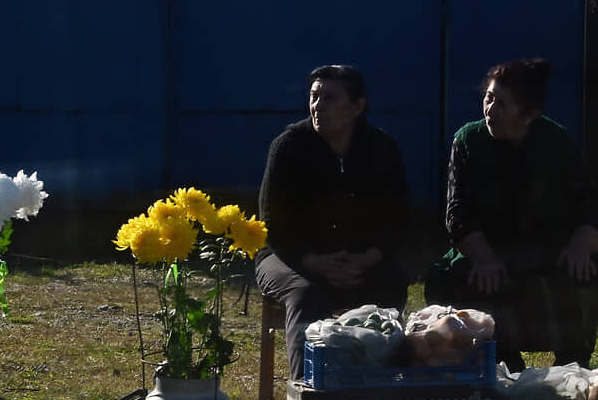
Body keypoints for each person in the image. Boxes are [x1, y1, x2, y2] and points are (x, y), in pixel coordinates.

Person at [425, 58, 598, 372]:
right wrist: (484, 257)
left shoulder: (556, 141)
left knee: (580, 277)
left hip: (546, 249)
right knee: (457, 282)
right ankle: (498, 363)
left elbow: (587, 202)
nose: (490, 109)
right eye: (488, 98)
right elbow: (457, 210)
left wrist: (581, 244)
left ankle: (573, 366)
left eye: (502, 103)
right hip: (487, 248)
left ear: (528, 114)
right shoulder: (468, 140)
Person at [255, 65, 410, 381]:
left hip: (358, 258)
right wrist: (314, 262)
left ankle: (381, 386)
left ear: (357, 106)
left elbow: (399, 220)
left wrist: (366, 259)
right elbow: (273, 224)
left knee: (389, 282)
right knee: (305, 293)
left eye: (329, 98)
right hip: (288, 258)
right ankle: (307, 391)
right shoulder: (289, 146)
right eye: (313, 96)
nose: (317, 106)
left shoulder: (382, 149)